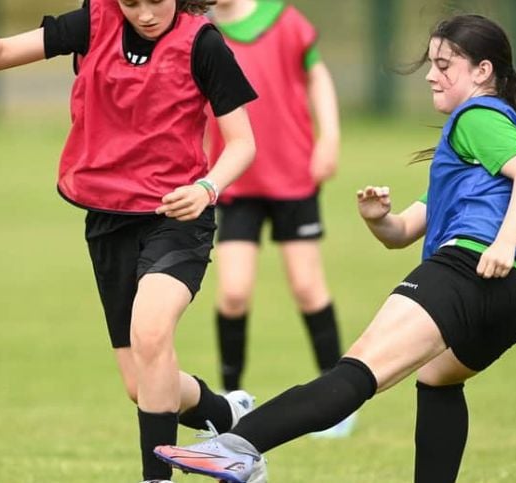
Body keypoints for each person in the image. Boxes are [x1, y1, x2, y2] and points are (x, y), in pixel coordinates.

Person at [154, 13, 516, 483]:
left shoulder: (477, 115)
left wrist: (501, 244)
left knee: (358, 368)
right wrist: (382, 221)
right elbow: (406, 231)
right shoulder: (490, 138)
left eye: (444, 64)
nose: (432, 75)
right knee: (437, 378)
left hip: (477, 265)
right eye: (430, 64)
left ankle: (238, 446)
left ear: (483, 71)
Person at [0, 1, 261, 482]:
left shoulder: (203, 43)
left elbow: (242, 142)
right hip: (108, 219)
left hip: (175, 215)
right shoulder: (93, 23)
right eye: (130, 1)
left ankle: (155, 477)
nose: (143, 13)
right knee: (142, 385)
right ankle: (227, 419)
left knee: (152, 332)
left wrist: (206, 188)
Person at [207, 0, 355, 438]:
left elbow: (318, 77)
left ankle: (338, 403)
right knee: (233, 293)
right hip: (235, 180)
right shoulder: (200, 30)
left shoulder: (283, 18)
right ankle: (229, 404)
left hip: (293, 174)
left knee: (308, 287)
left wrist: (329, 137)